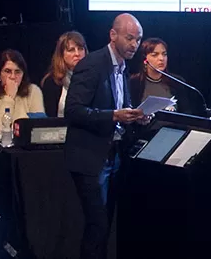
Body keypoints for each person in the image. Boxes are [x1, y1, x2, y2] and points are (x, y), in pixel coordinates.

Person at [65, 14, 147, 259]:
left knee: (105, 226)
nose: (134, 44)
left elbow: (122, 106)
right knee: (97, 225)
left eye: (138, 39)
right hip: (90, 158)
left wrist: (137, 116)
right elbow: (73, 110)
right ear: (113, 35)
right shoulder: (93, 64)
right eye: (130, 38)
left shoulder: (123, 68)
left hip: (114, 156)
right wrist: (114, 116)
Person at [128, 37, 201, 116]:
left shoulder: (177, 82)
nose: (161, 58)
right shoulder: (133, 82)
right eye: (155, 55)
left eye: (164, 54)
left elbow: (186, 113)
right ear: (145, 60)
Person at [0, 49, 45, 133]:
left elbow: (38, 128)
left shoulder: (33, 91)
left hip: (26, 144)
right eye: (7, 71)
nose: (12, 77)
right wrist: (9, 97)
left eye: (17, 72)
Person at [40, 31, 87, 118]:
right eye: (71, 50)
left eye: (80, 48)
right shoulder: (52, 81)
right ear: (61, 54)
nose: (77, 54)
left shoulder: (93, 76)